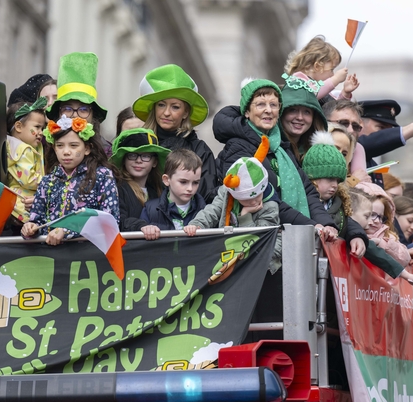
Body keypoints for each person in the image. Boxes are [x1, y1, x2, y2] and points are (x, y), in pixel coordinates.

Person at [213, 78, 339, 241]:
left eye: (273, 105)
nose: (268, 110)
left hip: (285, 238)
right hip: (252, 242)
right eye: (260, 104)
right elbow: (266, 198)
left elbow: (308, 191)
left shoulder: (281, 147)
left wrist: (326, 223)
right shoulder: (238, 147)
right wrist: (311, 225)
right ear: (246, 112)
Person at [22, 114, 119, 245]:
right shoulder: (47, 180)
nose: (66, 151)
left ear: (87, 148)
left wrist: (67, 232)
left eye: (73, 145)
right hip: (51, 255)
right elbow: (37, 218)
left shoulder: (102, 176)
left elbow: (109, 220)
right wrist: (30, 228)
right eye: (60, 145)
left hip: (88, 255)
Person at [185, 145, 281, 273]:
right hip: (231, 256)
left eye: (257, 194)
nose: (253, 201)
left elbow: (258, 243)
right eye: (245, 198)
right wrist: (197, 225)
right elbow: (212, 210)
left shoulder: (270, 206)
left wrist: (245, 216)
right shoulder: (227, 192)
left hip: (259, 267)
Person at [132, 64, 217, 203]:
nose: (166, 112)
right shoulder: (138, 145)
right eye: (161, 105)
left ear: (186, 112)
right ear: (154, 108)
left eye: (175, 107)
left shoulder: (200, 150)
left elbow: (205, 196)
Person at [348, 189, 413, 287]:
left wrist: (382, 244)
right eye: (370, 215)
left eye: (380, 217)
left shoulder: (387, 236)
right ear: (350, 210)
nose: (375, 221)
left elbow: (387, 256)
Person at [357, 99, 413, 185]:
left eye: (389, 131)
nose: (386, 135)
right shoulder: (350, 149)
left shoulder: (374, 167)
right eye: (381, 128)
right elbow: (364, 144)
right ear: (360, 124)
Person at [46, 52, 113, 156]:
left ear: (93, 114)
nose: (75, 115)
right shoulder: (46, 149)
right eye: (68, 109)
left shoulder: (106, 152)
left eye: (83, 109)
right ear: (59, 112)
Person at [109, 128, 170, 238]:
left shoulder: (158, 191)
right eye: (132, 155)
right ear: (124, 160)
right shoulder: (116, 188)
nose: (138, 160)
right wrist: (141, 226)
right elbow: (118, 220)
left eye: (145, 156)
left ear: (154, 162)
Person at [140, 149, 206, 231]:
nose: (190, 188)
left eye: (195, 182)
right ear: (166, 180)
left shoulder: (205, 212)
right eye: (183, 182)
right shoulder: (150, 210)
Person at [5, 98, 47, 224]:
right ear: (18, 126)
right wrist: (48, 182)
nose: (41, 132)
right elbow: (28, 180)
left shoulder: (12, 145)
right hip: (21, 200)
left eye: (43, 128)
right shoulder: (24, 149)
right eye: (37, 127)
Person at [284, 35, 359, 102]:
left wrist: (345, 93)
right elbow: (311, 94)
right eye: (331, 69)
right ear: (317, 66)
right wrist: (336, 79)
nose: (332, 74)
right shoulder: (298, 80)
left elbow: (333, 110)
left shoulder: (323, 89)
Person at [279, 72, 328, 161]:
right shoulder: (269, 147)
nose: (300, 117)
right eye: (293, 110)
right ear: (281, 113)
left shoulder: (318, 153)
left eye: (307, 112)